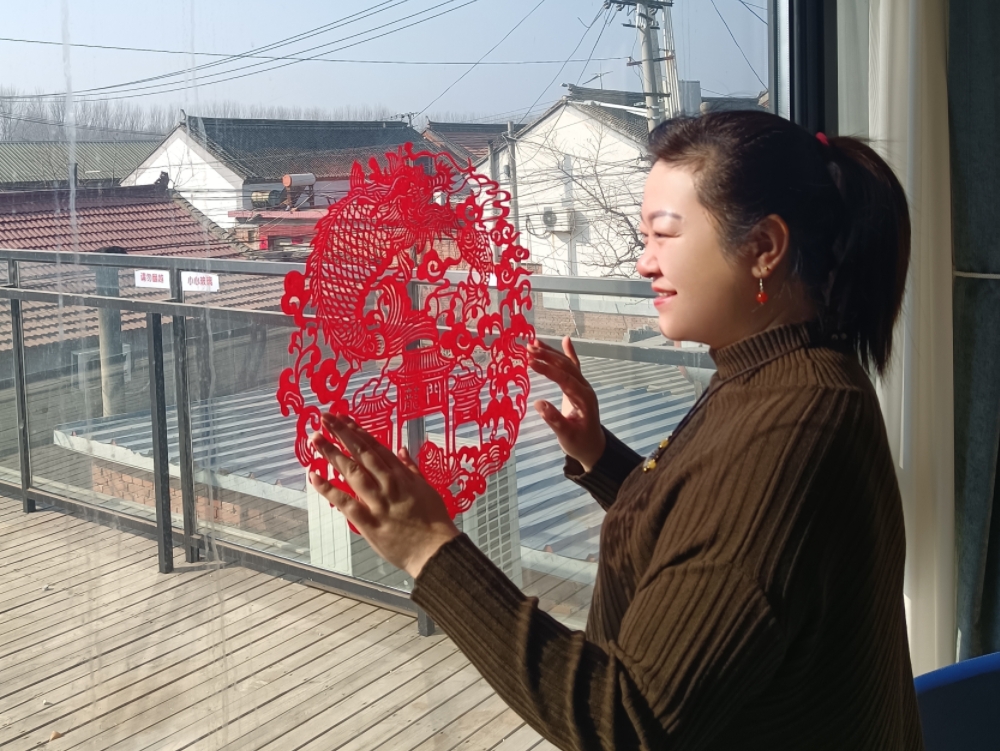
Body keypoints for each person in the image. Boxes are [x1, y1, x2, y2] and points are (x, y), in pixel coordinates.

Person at [308, 111, 925, 750]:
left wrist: (428, 549)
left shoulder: (796, 425)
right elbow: (711, 528)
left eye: (664, 234)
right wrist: (600, 457)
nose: (644, 262)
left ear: (764, 247)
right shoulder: (777, 376)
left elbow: (628, 720)